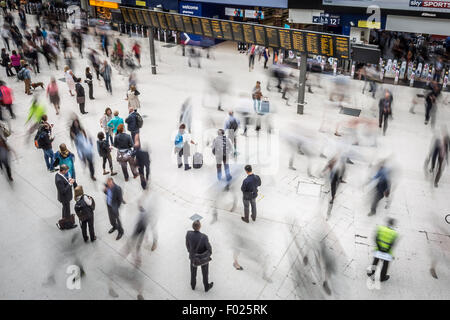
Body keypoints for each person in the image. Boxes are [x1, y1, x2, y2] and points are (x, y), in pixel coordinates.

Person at [185, 220, 213, 292]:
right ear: (200, 227)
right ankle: (206, 287)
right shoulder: (204, 237)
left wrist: (190, 252)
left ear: (192, 227)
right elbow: (209, 250)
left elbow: (187, 245)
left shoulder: (188, 234)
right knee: (205, 273)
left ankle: (193, 286)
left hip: (193, 257)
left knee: (193, 272)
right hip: (203, 258)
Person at [367, 218, 398, 282]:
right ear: (393, 224)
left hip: (378, 249)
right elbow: (392, 244)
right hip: (387, 252)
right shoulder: (394, 233)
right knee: (385, 265)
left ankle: (371, 273)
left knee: (375, 261)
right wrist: (385, 251)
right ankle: (382, 277)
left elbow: (375, 238)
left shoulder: (380, 228)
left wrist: (380, 248)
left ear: (387, 223)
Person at [55, 164, 76, 229]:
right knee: (67, 212)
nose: (67, 172)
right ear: (63, 171)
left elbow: (64, 182)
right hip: (65, 198)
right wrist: (70, 183)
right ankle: (68, 225)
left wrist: (68, 180)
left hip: (64, 198)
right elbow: (63, 191)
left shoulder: (58, 174)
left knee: (64, 209)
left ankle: (63, 221)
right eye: (67, 170)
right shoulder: (59, 180)